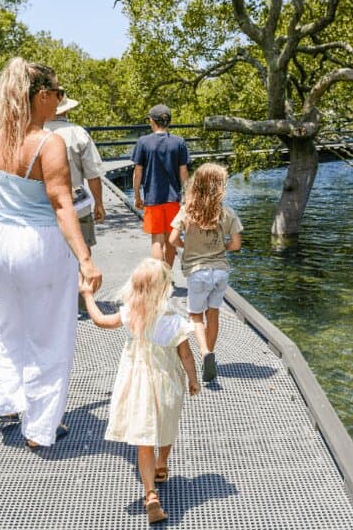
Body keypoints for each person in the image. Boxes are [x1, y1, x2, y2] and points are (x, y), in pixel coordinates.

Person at [0, 57, 103, 449]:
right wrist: (85, 258)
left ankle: (7, 400)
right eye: (57, 92)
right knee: (50, 335)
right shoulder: (47, 143)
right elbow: (61, 204)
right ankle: (39, 428)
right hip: (38, 243)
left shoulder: (1, 135)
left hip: (1, 241)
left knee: (11, 324)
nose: (60, 99)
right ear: (40, 96)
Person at [80, 258, 200, 524]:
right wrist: (193, 380)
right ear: (165, 288)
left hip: (136, 384)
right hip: (166, 383)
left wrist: (88, 295)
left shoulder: (129, 314)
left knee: (144, 442)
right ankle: (162, 464)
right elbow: (187, 355)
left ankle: (150, 495)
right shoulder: (175, 322)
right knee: (166, 426)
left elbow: (100, 320)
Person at [168, 163, 243, 383]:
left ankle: (205, 353)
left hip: (197, 272)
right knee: (213, 314)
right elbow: (236, 244)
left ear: (196, 185)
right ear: (220, 187)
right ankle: (210, 354)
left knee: (195, 316)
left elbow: (172, 240)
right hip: (220, 272)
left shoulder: (187, 212)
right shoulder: (227, 213)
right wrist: (220, 249)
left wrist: (187, 246)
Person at [131, 104, 189, 268]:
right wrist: (186, 196)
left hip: (152, 198)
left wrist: (137, 196)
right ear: (168, 121)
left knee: (157, 239)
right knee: (171, 239)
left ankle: (158, 279)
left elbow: (137, 173)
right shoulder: (179, 142)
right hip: (173, 199)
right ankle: (168, 275)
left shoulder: (143, 142)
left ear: (152, 121)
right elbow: (183, 173)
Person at [44, 96, 106, 250]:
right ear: (67, 110)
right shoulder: (78, 133)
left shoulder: (36, 133)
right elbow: (93, 174)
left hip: (45, 208)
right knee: (82, 253)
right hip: (77, 206)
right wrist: (99, 203)